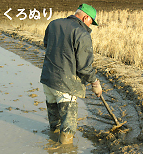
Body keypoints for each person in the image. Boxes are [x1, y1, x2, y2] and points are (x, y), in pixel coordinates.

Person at [40, 3, 102, 144]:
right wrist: (95, 82)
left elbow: (46, 44)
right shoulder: (82, 33)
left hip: (48, 80)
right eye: (91, 22)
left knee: (54, 123)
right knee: (67, 129)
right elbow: (84, 67)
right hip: (66, 86)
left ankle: (51, 144)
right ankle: (65, 149)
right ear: (86, 17)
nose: (90, 26)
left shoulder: (53, 24)